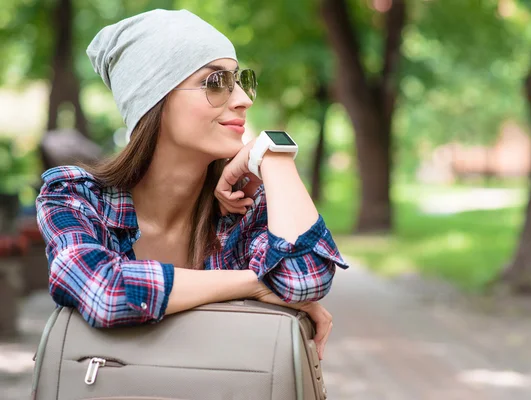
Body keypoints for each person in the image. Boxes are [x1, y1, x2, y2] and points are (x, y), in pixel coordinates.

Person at [35, 9, 348, 361]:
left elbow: (305, 281)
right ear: (155, 100)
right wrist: (257, 282)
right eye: (216, 82)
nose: (244, 98)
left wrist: (274, 157)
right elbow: (105, 290)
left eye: (240, 80)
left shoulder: (242, 207)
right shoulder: (76, 196)